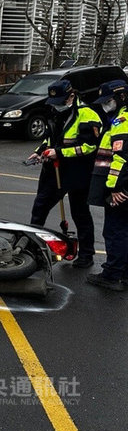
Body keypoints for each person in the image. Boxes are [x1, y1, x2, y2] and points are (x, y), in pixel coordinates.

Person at [27, 79, 101, 267]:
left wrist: (59, 153)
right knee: (39, 208)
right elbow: (50, 139)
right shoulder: (55, 111)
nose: (57, 105)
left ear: (71, 96)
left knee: (80, 213)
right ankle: (32, 247)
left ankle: (86, 255)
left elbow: (89, 147)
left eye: (61, 101)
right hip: (54, 171)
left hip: (77, 173)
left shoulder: (88, 115)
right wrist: (39, 151)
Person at [87, 80, 128, 290]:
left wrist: (115, 188)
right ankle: (124, 273)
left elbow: (120, 158)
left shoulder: (122, 120)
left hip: (121, 187)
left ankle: (112, 275)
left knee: (115, 230)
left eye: (108, 100)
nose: (105, 104)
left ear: (121, 97)